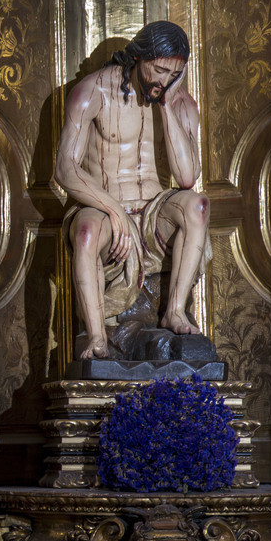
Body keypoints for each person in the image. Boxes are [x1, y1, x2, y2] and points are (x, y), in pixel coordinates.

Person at [54, 21, 208, 359]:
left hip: (154, 212)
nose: (163, 80)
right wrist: (112, 209)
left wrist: (166, 104)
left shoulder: (180, 102)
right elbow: (65, 168)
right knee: (85, 232)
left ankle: (174, 311)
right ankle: (96, 337)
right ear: (139, 57)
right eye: (159, 69)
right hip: (105, 207)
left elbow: (186, 177)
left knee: (197, 207)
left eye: (173, 73)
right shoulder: (93, 91)